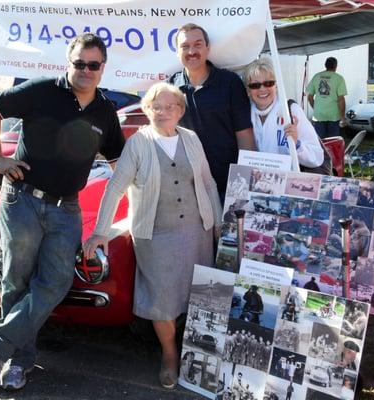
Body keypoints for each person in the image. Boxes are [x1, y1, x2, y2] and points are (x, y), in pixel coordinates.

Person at [0, 33, 125, 390]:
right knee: (18, 280)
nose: (86, 71)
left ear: (103, 68)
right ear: (68, 62)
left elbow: (120, 161)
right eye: (79, 63)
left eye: (93, 65)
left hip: (66, 209)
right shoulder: (42, 89)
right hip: (22, 200)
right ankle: (19, 363)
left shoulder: (105, 110)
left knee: (56, 281)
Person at [83, 82, 222, 390]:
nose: (163, 112)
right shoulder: (138, 143)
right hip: (156, 236)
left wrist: (218, 222)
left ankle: (200, 352)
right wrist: (100, 232)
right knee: (162, 299)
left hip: (197, 231)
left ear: (181, 111)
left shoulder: (191, 138)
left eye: (170, 106)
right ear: (146, 110)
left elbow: (208, 182)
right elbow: (115, 187)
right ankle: (170, 354)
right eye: (156, 106)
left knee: (201, 293)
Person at [168, 23, 256, 199]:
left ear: (208, 48)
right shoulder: (171, 87)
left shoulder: (230, 83)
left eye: (198, 44)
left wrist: (245, 182)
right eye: (185, 46)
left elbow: (245, 135)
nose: (192, 51)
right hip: (190, 189)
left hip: (228, 185)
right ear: (177, 52)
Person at [243, 58, 324, 169]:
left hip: (286, 183)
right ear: (248, 90)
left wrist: (297, 144)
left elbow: (317, 157)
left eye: (268, 83)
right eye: (255, 85)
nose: (262, 89)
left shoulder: (291, 111)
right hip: (256, 181)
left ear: (276, 86)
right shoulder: (243, 113)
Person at [306, 57, 348, 138]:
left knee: (320, 142)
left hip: (319, 115)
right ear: (336, 66)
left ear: (325, 65)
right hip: (334, 116)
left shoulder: (316, 76)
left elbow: (310, 97)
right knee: (332, 141)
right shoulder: (339, 78)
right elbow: (341, 100)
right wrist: (342, 117)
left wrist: (316, 108)